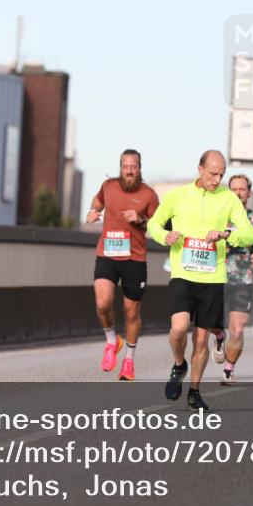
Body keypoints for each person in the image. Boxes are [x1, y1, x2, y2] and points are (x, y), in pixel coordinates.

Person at [146, 150, 253, 411]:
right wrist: (165, 237)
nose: (217, 179)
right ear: (200, 169)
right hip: (183, 274)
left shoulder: (228, 199)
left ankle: (194, 392)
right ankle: (178, 364)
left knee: (200, 340)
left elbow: (250, 235)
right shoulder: (178, 195)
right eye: (213, 173)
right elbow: (154, 224)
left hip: (213, 276)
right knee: (178, 328)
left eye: (221, 174)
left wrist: (226, 234)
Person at [85, 149, 160, 381]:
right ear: (120, 167)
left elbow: (158, 225)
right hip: (107, 254)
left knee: (131, 311)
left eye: (133, 166)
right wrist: (93, 211)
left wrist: (140, 220)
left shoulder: (149, 195)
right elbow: (98, 201)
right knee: (103, 303)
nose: (129, 170)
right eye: (125, 166)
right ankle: (111, 342)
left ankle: (129, 359)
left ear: (139, 168)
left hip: (134, 259)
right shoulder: (108, 186)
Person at [213, 174, 253, 385]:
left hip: (242, 279)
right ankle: (219, 337)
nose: (238, 193)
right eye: (234, 189)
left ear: (249, 193)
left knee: (237, 328)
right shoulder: (217, 215)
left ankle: (229, 369)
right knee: (211, 322)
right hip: (215, 276)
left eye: (242, 189)